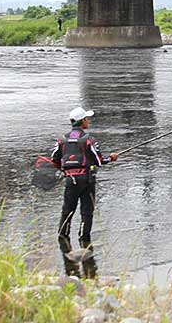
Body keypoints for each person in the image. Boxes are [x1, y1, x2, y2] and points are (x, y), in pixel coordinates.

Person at [50, 107, 118, 276]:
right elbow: (99, 161)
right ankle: (84, 241)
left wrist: (66, 170)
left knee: (67, 210)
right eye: (87, 119)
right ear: (82, 122)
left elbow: (54, 159)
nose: (89, 121)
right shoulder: (89, 140)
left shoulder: (62, 140)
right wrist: (112, 158)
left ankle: (63, 240)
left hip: (70, 180)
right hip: (87, 181)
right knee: (86, 212)